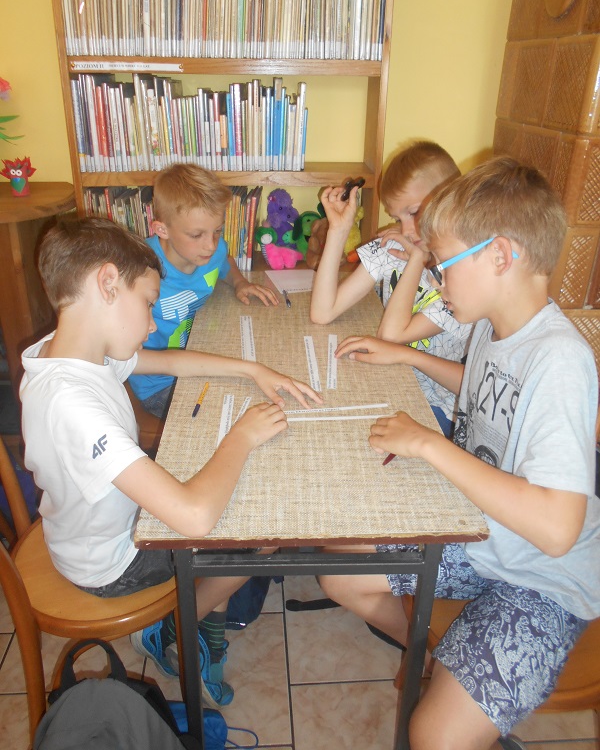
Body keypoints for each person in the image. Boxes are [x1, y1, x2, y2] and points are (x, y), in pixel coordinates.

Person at [319, 157, 600, 750]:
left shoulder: (560, 361)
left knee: (433, 736)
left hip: (541, 579)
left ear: (499, 256)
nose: (439, 281)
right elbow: (479, 385)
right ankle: (443, 659)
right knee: (338, 568)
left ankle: (458, 692)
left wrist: (427, 444)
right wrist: (409, 356)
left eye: (445, 264)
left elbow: (557, 529)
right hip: (482, 537)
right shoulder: (495, 329)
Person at [19, 217, 322, 708]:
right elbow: (194, 517)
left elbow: (172, 361)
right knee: (264, 529)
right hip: (115, 561)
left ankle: (197, 615)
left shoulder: (72, 352)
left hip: (92, 526)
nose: (153, 323)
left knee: (221, 475)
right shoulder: (71, 405)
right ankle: (170, 627)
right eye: (148, 302)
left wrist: (253, 369)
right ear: (108, 283)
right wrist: (242, 435)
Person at [310, 140, 471, 436]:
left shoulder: (461, 279)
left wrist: (417, 260)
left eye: (415, 212)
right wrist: (339, 229)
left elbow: (391, 337)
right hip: (389, 381)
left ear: (451, 204)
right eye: (398, 218)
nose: (406, 230)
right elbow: (322, 312)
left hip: (436, 408)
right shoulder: (394, 247)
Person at [128, 163, 280, 420]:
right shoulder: (137, 272)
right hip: (159, 383)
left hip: (202, 348)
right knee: (222, 419)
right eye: (196, 235)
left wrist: (239, 282)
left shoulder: (213, 249)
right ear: (162, 229)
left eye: (217, 231)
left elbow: (223, 260)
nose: (210, 245)